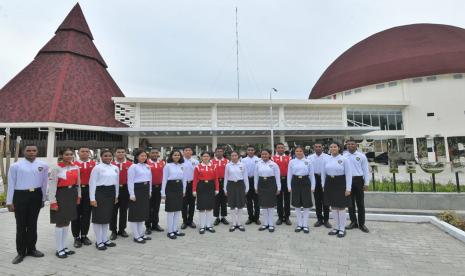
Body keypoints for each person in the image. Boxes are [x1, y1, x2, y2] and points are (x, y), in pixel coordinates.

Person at [6, 145, 48, 264]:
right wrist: (9, 201)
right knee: (21, 225)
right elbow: (11, 183)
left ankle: (31, 249)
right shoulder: (16, 166)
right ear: (23, 151)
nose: (31, 152)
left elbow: (45, 183)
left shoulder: (43, 165)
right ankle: (20, 252)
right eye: (28, 150)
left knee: (32, 224)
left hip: (36, 196)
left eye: (34, 150)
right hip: (20, 196)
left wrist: (43, 198)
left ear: (37, 151)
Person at [49, 148, 81, 258]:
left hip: (72, 194)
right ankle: (59, 249)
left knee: (67, 221)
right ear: (61, 155)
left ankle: (64, 246)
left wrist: (79, 196)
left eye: (71, 154)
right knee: (60, 221)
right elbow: (52, 186)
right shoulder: (56, 168)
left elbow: (78, 183)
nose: (69, 156)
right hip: (61, 195)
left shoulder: (76, 167)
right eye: (66, 154)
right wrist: (53, 202)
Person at [89, 149, 119, 250]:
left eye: (110, 155)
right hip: (100, 193)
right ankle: (99, 241)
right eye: (105, 156)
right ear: (101, 157)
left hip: (111, 193)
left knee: (106, 218)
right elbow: (92, 183)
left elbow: (116, 183)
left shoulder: (115, 168)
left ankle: (105, 239)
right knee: (98, 218)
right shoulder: (97, 168)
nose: (108, 157)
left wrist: (116, 196)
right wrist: (92, 198)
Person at [322, 143, 352, 238]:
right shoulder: (326, 159)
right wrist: (323, 185)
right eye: (331, 147)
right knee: (333, 207)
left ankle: (342, 228)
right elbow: (323, 173)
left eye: (335, 147)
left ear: (339, 148)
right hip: (329, 183)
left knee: (341, 207)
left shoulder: (344, 159)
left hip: (340, 183)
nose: (333, 148)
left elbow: (348, 174)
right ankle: (336, 227)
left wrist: (348, 188)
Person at [344, 140, 370, 233]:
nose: (350, 145)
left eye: (352, 144)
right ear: (346, 146)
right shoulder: (344, 156)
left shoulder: (361, 156)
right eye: (348, 144)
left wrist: (366, 183)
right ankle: (353, 222)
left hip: (358, 181)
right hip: (348, 181)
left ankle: (362, 224)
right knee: (350, 204)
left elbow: (366, 170)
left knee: (360, 204)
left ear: (356, 145)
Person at [287, 146, 315, 234]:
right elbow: (289, 174)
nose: (298, 152)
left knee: (306, 204)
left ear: (303, 152)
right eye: (297, 151)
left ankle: (305, 224)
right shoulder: (292, 162)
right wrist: (289, 186)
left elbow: (311, 175)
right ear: (294, 152)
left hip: (305, 182)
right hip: (295, 182)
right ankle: (299, 224)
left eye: (300, 151)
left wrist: (313, 186)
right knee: (297, 204)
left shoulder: (308, 161)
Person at [72, 147, 95, 248]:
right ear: (78, 153)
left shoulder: (94, 164)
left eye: (87, 151)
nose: (85, 153)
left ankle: (84, 235)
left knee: (86, 214)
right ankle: (76, 237)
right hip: (76, 191)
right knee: (75, 215)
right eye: (82, 151)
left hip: (89, 190)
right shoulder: (73, 164)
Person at [127, 150, 152, 244]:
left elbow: (150, 179)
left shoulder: (147, 166)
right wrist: (132, 194)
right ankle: (136, 235)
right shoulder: (133, 167)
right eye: (142, 155)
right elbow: (130, 181)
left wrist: (149, 191)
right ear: (137, 157)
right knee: (135, 214)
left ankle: (141, 234)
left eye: (145, 156)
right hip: (137, 190)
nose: (144, 157)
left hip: (145, 190)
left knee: (142, 213)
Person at [161, 150, 187, 239]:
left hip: (179, 187)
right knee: (171, 211)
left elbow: (184, 179)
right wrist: (163, 192)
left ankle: (175, 229)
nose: (177, 156)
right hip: (170, 187)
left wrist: (184, 190)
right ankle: (170, 231)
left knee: (177, 210)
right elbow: (164, 179)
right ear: (171, 156)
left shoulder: (182, 166)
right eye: (175, 155)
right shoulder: (167, 166)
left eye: (178, 155)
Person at [192, 151, 219, 234]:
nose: (206, 158)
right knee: (202, 208)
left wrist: (217, 189)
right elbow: (195, 179)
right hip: (201, 187)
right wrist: (194, 190)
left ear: (210, 157)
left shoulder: (214, 166)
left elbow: (216, 179)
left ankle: (209, 225)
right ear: (201, 157)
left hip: (210, 187)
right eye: (204, 156)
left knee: (209, 207)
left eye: (207, 156)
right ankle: (202, 226)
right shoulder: (198, 167)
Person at [255, 149, 281, 233]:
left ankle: (271, 224)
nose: (264, 156)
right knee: (264, 205)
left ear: (269, 155)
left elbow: (277, 177)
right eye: (262, 154)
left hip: (271, 184)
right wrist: (256, 187)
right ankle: (265, 223)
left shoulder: (274, 164)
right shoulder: (258, 164)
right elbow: (256, 177)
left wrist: (279, 188)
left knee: (270, 205)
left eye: (266, 154)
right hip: (261, 184)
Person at [110, 147, 132, 240]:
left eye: (122, 152)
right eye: (118, 152)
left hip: (125, 189)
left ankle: (122, 229)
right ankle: (113, 231)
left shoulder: (130, 164)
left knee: (123, 211)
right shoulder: (111, 164)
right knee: (113, 211)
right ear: (115, 153)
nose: (120, 154)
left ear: (125, 153)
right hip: (113, 190)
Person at [308, 143, 331, 228]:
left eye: (319, 147)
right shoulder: (309, 158)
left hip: (325, 179)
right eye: (316, 147)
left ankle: (326, 220)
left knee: (326, 201)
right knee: (317, 201)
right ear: (313, 148)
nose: (318, 148)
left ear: (323, 147)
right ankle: (319, 219)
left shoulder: (328, 157)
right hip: (315, 179)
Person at [224, 151, 248, 232]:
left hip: (240, 185)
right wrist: (225, 188)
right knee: (232, 204)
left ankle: (239, 223)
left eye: (235, 155)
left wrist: (247, 188)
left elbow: (245, 177)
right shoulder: (228, 165)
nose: (234, 157)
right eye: (232, 155)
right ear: (230, 157)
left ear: (238, 156)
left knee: (240, 204)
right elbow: (226, 178)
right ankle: (234, 223)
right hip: (231, 185)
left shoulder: (243, 165)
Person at [145, 148, 165, 234]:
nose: (154, 154)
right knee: (148, 208)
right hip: (149, 188)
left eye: (156, 153)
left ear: (158, 154)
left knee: (156, 207)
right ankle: (148, 226)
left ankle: (155, 224)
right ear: (149, 154)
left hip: (159, 187)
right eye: (153, 153)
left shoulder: (162, 163)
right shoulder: (146, 163)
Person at [241, 146, 261, 225]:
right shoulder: (243, 160)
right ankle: (250, 217)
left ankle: (256, 218)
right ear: (247, 151)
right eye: (249, 150)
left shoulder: (258, 160)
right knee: (248, 201)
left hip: (256, 180)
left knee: (257, 201)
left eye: (252, 150)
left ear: (254, 151)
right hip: (247, 181)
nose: (250, 151)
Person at [272, 143, 291, 225]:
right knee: (279, 200)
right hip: (277, 180)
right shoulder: (272, 158)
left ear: (284, 149)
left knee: (287, 199)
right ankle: (280, 217)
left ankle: (287, 217)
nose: (280, 149)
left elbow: (290, 170)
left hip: (286, 180)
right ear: (276, 149)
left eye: (282, 148)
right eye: (278, 148)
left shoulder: (289, 158)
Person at [181, 146, 199, 229]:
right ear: (183, 152)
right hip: (183, 184)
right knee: (183, 204)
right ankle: (184, 221)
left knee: (192, 203)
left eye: (189, 150)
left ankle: (191, 220)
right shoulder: (180, 161)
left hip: (192, 184)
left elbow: (198, 174)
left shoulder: (196, 161)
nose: (188, 151)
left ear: (192, 152)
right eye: (186, 150)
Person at [212, 147, 229, 225]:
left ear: (223, 152)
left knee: (224, 200)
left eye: (221, 151)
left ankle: (223, 217)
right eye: (218, 151)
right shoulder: (211, 161)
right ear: (215, 152)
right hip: (215, 182)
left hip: (224, 181)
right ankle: (217, 217)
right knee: (216, 201)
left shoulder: (227, 161)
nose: (219, 152)